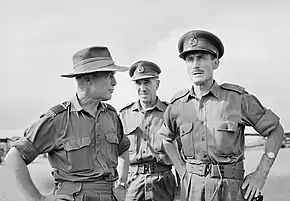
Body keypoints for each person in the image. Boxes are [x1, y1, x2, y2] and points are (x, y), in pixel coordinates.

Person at [158, 30, 284, 201]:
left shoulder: (237, 99)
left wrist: (261, 174)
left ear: (215, 63)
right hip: (192, 189)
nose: (195, 65)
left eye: (202, 58)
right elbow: (166, 137)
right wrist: (181, 169)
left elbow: (275, 130)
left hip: (230, 189)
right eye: (190, 59)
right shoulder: (178, 105)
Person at [4, 46, 131, 201]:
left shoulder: (111, 115)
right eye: (109, 75)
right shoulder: (58, 119)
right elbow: (14, 158)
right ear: (88, 79)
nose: (114, 82)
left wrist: (122, 185)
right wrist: (39, 198)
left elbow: (123, 149)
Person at [119, 61, 178, 201]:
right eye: (138, 83)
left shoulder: (170, 113)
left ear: (157, 84)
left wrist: (181, 190)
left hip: (163, 182)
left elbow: (181, 154)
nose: (142, 88)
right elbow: (118, 153)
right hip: (133, 183)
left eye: (147, 82)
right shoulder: (124, 115)